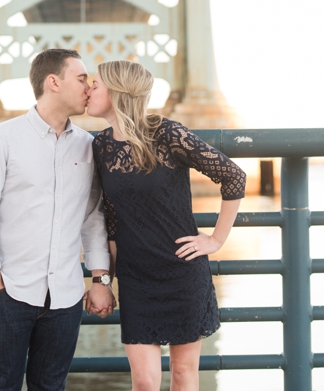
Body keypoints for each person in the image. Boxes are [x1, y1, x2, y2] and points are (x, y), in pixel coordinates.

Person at [86, 60, 246, 391]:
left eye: (95, 84)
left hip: (182, 272)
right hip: (135, 278)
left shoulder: (168, 134)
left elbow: (233, 176)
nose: (88, 89)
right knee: (144, 382)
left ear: (117, 92)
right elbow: (112, 220)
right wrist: (105, 281)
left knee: (183, 373)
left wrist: (216, 240)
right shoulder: (100, 146)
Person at [0, 48, 115, 391]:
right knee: (0, 385)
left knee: (51, 386)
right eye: (81, 80)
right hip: (8, 291)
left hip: (65, 296)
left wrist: (100, 280)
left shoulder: (88, 146)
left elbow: (93, 218)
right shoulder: (3, 138)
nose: (89, 88)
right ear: (53, 82)